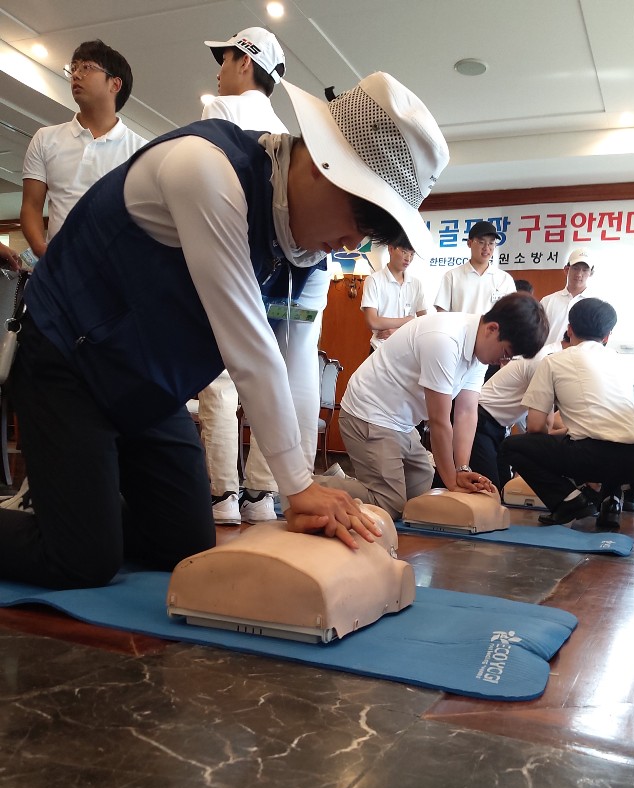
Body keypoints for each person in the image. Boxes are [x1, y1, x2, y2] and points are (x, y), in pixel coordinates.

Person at [0, 71, 450, 589]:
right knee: (82, 561)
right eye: (360, 217)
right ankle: (75, 522)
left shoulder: (306, 253)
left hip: (147, 383)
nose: (353, 242)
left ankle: (76, 508)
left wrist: (299, 483)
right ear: (324, 165)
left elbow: (296, 367)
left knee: (181, 543)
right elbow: (249, 346)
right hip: (67, 360)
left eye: (370, 233)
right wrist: (298, 487)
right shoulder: (207, 169)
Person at [196, 27, 329, 525]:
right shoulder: (285, 132)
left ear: (245, 62)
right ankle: (262, 495)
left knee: (221, 377)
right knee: (284, 372)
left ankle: (224, 495)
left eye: (224, 59)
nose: (219, 71)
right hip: (299, 274)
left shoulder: (220, 110)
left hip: (244, 261)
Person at [315, 293, 548, 519]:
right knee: (390, 504)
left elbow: (466, 413)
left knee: (421, 497)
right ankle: (309, 486)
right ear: (492, 329)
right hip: (369, 414)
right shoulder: (444, 339)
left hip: (402, 423)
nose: (503, 362)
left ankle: (341, 483)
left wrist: (462, 469)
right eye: (505, 353)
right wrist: (453, 483)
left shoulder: (479, 351)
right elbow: (439, 421)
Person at [502, 298, 634, 532]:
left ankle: (569, 500)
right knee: (609, 447)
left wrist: (564, 438)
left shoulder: (553, 361)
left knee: (511, 447)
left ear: (569, 329)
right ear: (607, 336)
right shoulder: (624, 364)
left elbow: (534, 426)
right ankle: (611, 501)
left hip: (589, 458)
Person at [20, 39, 146, 259]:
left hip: (113, 268)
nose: (76, 75)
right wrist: (42, 251)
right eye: (74, 68)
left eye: (87, 67)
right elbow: (31, 205)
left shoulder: (141, 150)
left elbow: (144, 217)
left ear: (115, 85)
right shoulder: (45, 138)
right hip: (58, 265)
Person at [469, 337, 563, 489]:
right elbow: (543, 423)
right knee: (491, 489)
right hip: (480, 421)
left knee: (503, 488)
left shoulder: (550, 358)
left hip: (497, 426)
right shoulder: (545, 361)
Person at [434, 220, 516, 319]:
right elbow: (442, 313)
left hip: (493, 329)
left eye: (491, 243)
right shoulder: (452, 276)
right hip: (460, 329)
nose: (486, 248)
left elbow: (512, 314)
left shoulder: (504, 279)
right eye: (481, 242)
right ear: (469, 243)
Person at [361, 241, 427, 350]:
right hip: (379, 348)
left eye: (412, 254)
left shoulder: (416, 284)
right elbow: (372, 321)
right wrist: (408, 320)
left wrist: (398, 332)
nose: (408, 259)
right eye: (404, 252)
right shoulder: (373, 280)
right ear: (391, 249)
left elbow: (424, 322)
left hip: (408, 349)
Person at [539, 248, 594, 345]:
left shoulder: (595, 304)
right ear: (566, 269)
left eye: (585, 270)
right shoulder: (547, 301)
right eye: (575, 268)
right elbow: (536, 333)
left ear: (591, 273)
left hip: (580, 355)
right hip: (549, 354)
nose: (579, 274)